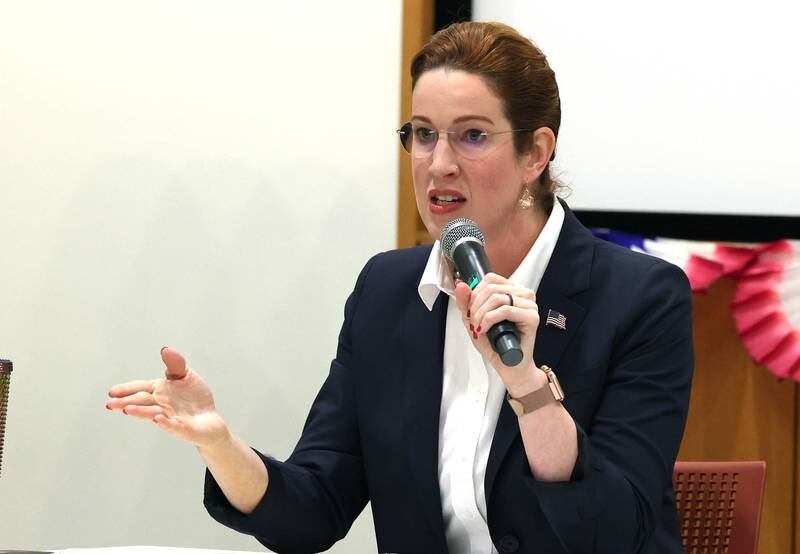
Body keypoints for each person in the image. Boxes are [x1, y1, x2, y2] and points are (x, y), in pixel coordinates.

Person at [107, 21, 693, 554]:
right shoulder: (387, 291)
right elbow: (315, 509)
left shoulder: (640, 298)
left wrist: (527, 386)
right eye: (422, 134)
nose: (437, 164)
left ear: (536, 152)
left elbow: (616, 532)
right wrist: (219, 443)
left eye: (471, 136)